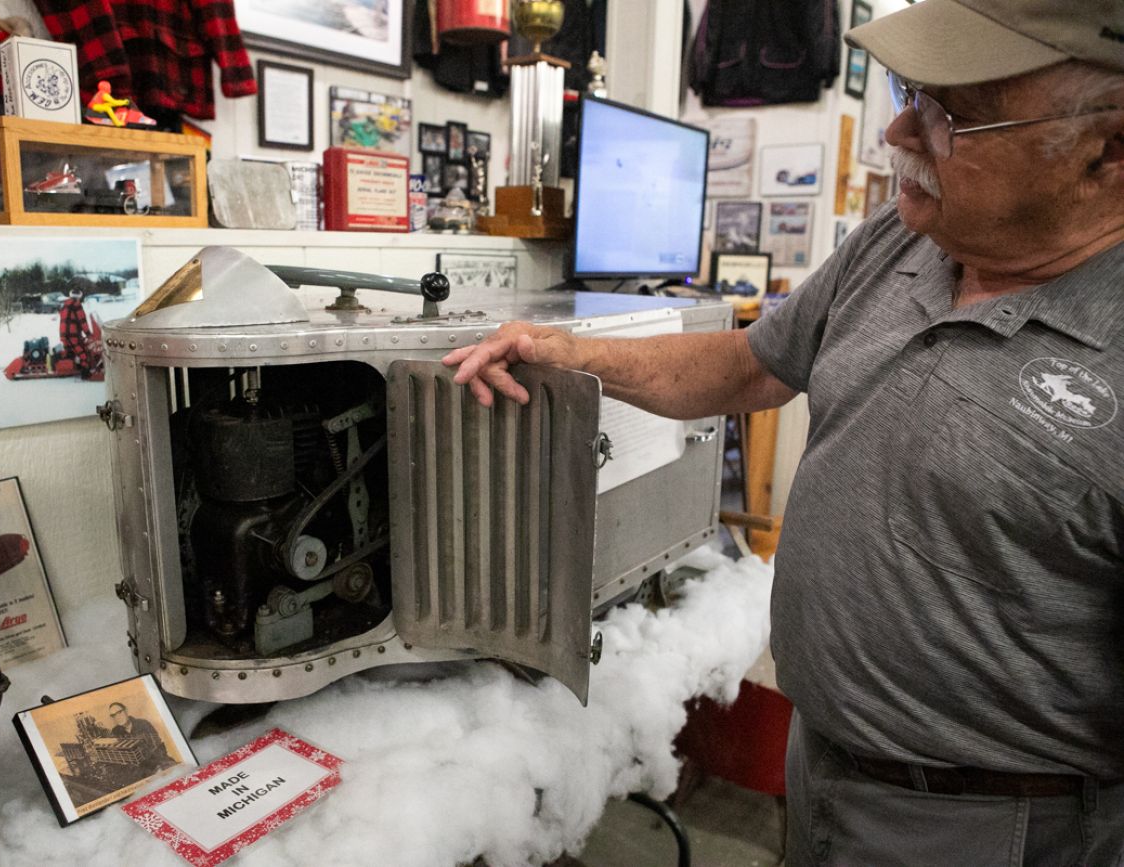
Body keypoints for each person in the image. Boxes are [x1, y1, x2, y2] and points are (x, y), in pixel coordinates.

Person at [443, 0, 1124, 862]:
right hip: (825, 763)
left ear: (1107, 149)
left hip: (990, 821)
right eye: (910, 91)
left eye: (955, 112)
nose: (903, 130)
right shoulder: (903, 239)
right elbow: (750, 366)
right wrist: (568, 352)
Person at [107, 702, 172, 771]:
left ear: (126, 710)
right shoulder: (115, 732)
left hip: (158, 763)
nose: (118, 717)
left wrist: (158, 767)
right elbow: (119, 756)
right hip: (137, 770)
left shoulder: (143, 724)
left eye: (119, 712)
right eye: (113, 715)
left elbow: (158, 747)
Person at [58, 288, 94, 379]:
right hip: (72, 335)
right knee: (83, 353)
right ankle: (85, 374)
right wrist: (89, 334)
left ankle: (77, 366)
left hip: (65, 335)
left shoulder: (65, 305)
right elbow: (82, 322)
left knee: (79, 349)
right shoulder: (76, 305)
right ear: (79, 296)